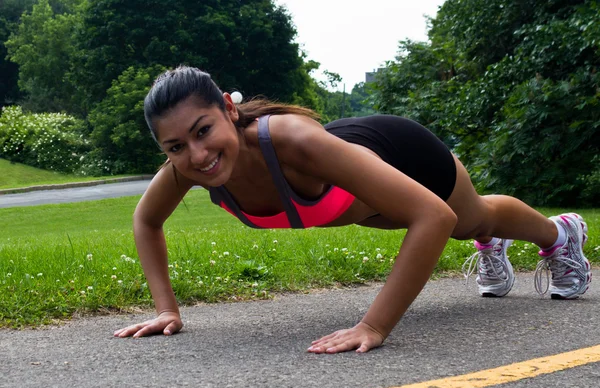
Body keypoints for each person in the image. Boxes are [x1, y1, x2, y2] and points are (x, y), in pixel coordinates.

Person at [113, 66, 591, 354]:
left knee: (469, 221)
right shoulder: (186, 168)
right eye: (175, 146)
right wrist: (166, 310)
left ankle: (558, 234)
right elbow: (146, 220)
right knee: (439, 223)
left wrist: (374, 325)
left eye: (202, 131)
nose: (196, 156)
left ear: (227, 109)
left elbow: (434, 217)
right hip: (362, 204)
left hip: (402, 152)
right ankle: (495, 245)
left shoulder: (292, 142)